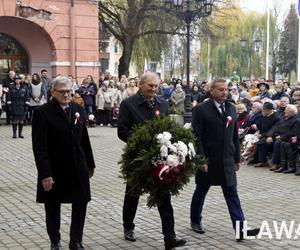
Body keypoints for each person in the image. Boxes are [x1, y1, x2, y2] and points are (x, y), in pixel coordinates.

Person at [117, 72, 186, 250]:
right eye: (150, 86)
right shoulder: (128, 104)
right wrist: (142, 140)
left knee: (164, 195)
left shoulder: (162, 103)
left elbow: (166, 127)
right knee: (132, 193)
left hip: (159, 157)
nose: (154, 89)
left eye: (156, 86)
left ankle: (169, 237)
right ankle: (128, 227)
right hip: (138, 156)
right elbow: (122, 131)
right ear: (141, 85)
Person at [190, 79, 259, 241]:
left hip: (227, 159)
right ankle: (195, 220)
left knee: (232, 194)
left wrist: (237, 158)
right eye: (220, 89)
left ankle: (241, 229)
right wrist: (200, 159)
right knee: (201, 191)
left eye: (226, 89)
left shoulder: (231, 108)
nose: (224, 92)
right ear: (211, 90)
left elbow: (234, 135)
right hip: (208, 159)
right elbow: (196, 136)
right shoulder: (201, 109)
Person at [32, 76, 96, 250]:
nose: (66, 94)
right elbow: (40, 147)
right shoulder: (42, 113)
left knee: (81, 202)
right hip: (55, 168)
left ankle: (76, 240)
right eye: (62, 92)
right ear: (53, 92)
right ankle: (55, 240)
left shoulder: (77, 109)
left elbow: (84, 139)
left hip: (77, 166)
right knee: (53, 206)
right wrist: (45, 174)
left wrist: (90, 164)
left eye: (69, 91)